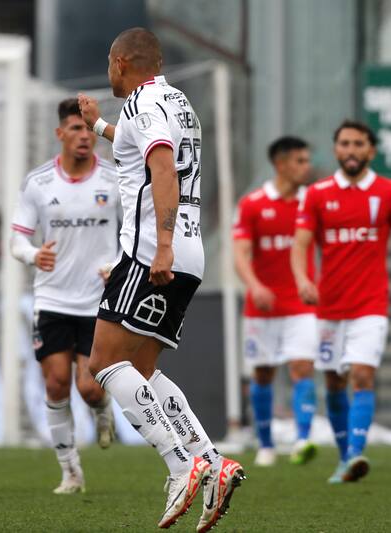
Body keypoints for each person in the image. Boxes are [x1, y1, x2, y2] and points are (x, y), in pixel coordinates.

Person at [77, 28, 244, 531]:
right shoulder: (175, 100)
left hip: (154, 247)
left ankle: (179, 465)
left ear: (122, 61)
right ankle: (213, 464)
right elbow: (143, 144)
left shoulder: (142, 104)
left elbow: (162, 165)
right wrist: (100, 124)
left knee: (103, 364)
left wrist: (162, 245)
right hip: (189, 250)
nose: (109, 70)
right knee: (141, 369)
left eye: (109, 60)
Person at [291, 120, 391, 483]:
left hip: (370, 305)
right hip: (329, 307)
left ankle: (356, 453)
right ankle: (344, 458)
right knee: (335, 382)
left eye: (358, 144)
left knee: (362, 375)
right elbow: (301, 244)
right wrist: (304, 280)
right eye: (345, 144)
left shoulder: (390, 192)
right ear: (336, 149)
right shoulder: (318, 194)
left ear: (371, 150)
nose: (351, 150)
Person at [10, 97, 118, 495]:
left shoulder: (114, 178)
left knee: (89, 387)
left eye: (89, 129)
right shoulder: (38, 182)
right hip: (53, 299)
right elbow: (18, 239)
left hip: (98, 302)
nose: (84, 136)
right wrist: (33, 255)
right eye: (75, 128)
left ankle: (101, 408)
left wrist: (119, 264)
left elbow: (132, 233)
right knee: (56, 384)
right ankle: (71, 472)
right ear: (60, 134)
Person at [233, 136, 318, 467]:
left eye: (306, 160)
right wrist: (254, 286)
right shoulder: (253, 204)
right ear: (280, 164)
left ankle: (302, 439)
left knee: (302, 367)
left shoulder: (312, 202)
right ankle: (265, 444)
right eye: (299, 161)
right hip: (263, 307)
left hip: (301, 305)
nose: (305, 167)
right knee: (264, 373)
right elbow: (240, 254)